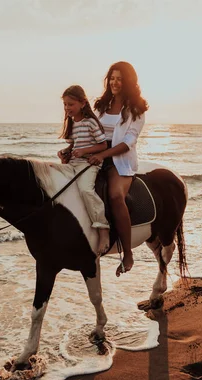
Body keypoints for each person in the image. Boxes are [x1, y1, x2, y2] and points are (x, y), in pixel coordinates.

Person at [86, 61, 149, 277]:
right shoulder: (100, 106)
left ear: (128, 82)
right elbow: (90, 132)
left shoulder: (136, 110)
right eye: (112, 78)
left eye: (120, 78)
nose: (115, 82)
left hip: (119, 162)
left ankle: (128, 253)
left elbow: (128, 142)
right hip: (96, 156)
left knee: (115, 196)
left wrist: (102, 155)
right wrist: (71, 149)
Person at [57, 85, 110, 255]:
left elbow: (103, 145)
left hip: (88, 163)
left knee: (86, 190)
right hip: (73, 162)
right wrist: (65, 153)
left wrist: (84, 151)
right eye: (65, 105)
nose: (67, 108)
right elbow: (75, 144)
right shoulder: (72, 123)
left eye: (70, 104)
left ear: (82, 103)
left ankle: (103, 229)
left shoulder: (90, 122)